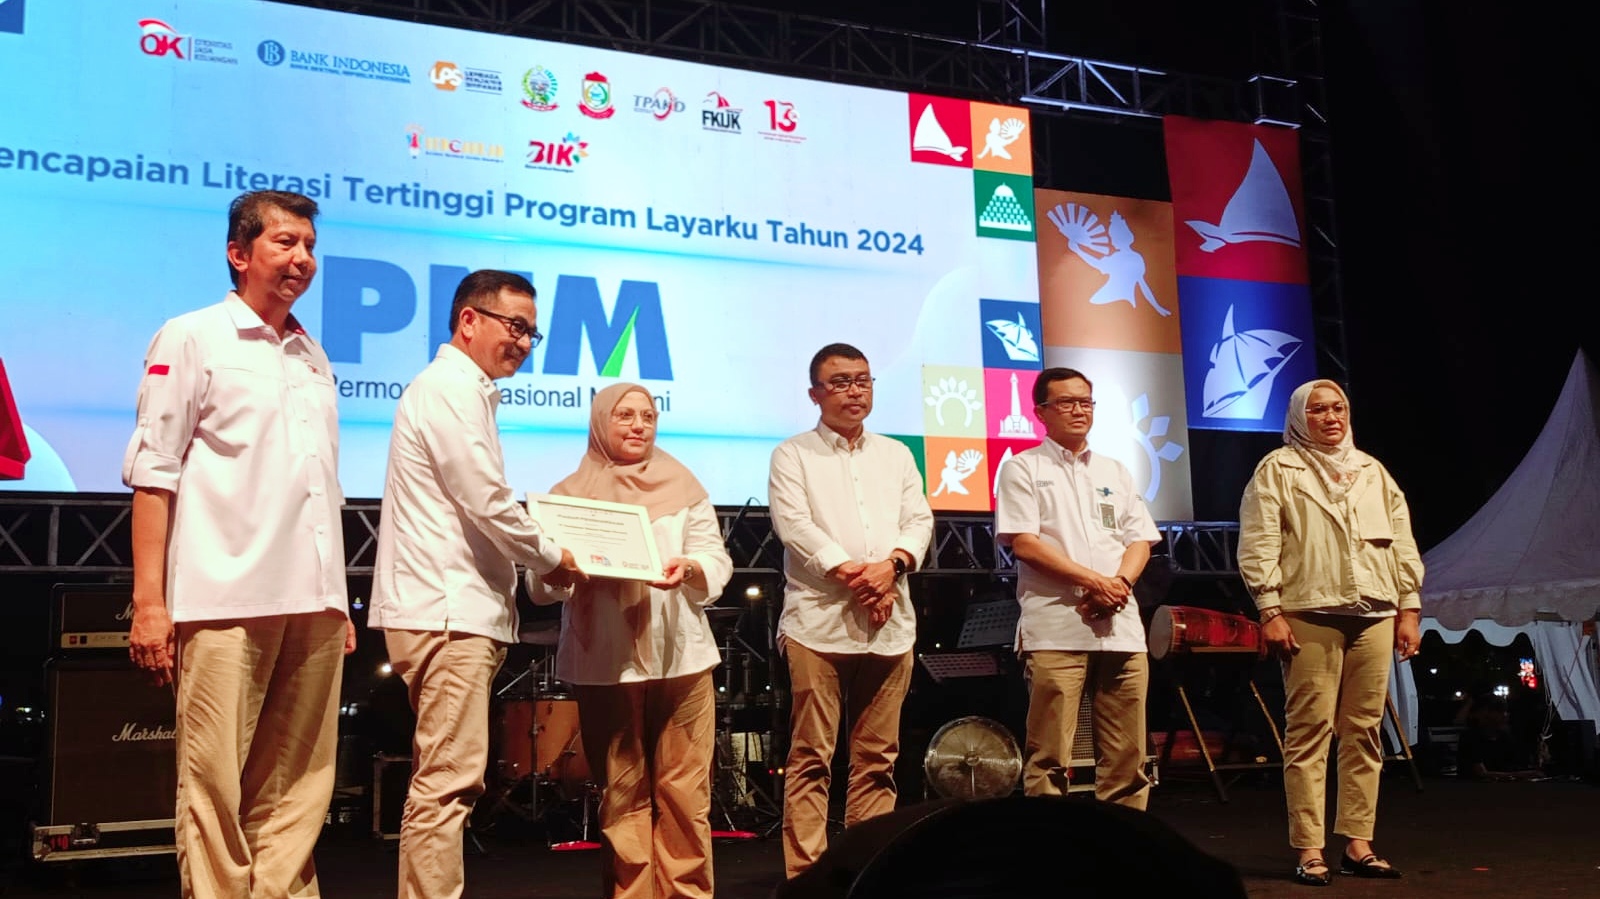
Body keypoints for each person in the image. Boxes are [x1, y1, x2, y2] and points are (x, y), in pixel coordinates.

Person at [123, 190, 356, 899]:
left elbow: (321, 486)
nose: (302, 258)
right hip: (224, 595)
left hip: (313, 603)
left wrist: (338, 597)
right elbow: (154, 473)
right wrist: (150, 604)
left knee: (300, 787)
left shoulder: (312, 354)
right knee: (214, 783)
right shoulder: (191, 336)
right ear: (238, 253)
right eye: (285, 242)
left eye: (309, 246)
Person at [368, 269, 586, 899]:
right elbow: (486, 501)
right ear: (469, 320)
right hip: (446, 609)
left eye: (532, 333)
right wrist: (553, 557)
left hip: (451, 608)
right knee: (448, 782)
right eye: (514, 325)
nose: (523, 342)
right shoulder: (450, 389)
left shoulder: (466, 392)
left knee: (450, 777)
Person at [527, 382, 734, 899]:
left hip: (682, 654)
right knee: (622, 794)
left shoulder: (683, 485)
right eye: (625, 415)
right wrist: (561, 568)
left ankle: (688, 894)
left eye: (648, 416)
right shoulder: (567, 498)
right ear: (601, 422)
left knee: (686, 792)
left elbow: (715, 557)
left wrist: (691, 567)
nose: (639, 425)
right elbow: (539, 585)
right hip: (606, 660)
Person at [1237, 378, 1424, 886]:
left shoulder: (1371, 470)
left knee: (1364, 730)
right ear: (1301, 416)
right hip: (1309, 608)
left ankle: (1358, 844)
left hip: (1375, 611)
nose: (1330, 417)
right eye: (1318, 409)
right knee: (1309, 730)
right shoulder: (1279, 467)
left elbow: (1402, 541)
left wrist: (1409, 607)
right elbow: (1259, 540)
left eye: (1338, 407)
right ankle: (1310, 847)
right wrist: (1269, 608)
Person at [767, 343, 934, 878]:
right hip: (818, 623)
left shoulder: (896, 454)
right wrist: (859, 577)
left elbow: (919, 521)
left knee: (878, 759)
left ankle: (866, 871)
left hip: (890, 623)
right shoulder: (793, 454)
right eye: (840, 382)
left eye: (862, 380)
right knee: (811, 756)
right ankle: (808, 877)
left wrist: (892, 567)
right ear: (814, 393)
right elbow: (794, 526)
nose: (854, 390)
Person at [993, 367, 1161, 807]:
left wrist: (1118, 584)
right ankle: (1054, 844)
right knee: (1050, 756)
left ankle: (1123, 842)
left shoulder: (1115, 470)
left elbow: (1140, 540)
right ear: (1040, 412)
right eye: (1066, 402)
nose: (1078, 410)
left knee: (1127, 759)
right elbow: (1025, 543)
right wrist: (1093, 583)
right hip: (1056, 628)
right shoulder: (1022, 467)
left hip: (1121, 629)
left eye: (1085, 402)